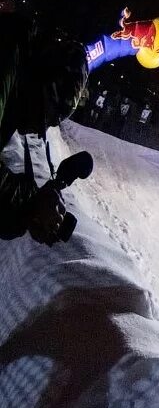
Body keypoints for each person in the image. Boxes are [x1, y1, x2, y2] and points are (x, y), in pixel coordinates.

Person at [0, 12, 89, 245]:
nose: (37, 126)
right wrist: (30, 203)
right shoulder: (7, 62)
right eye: (46, 114)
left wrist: (30, 205)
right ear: (44, 81)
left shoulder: (17, 77)